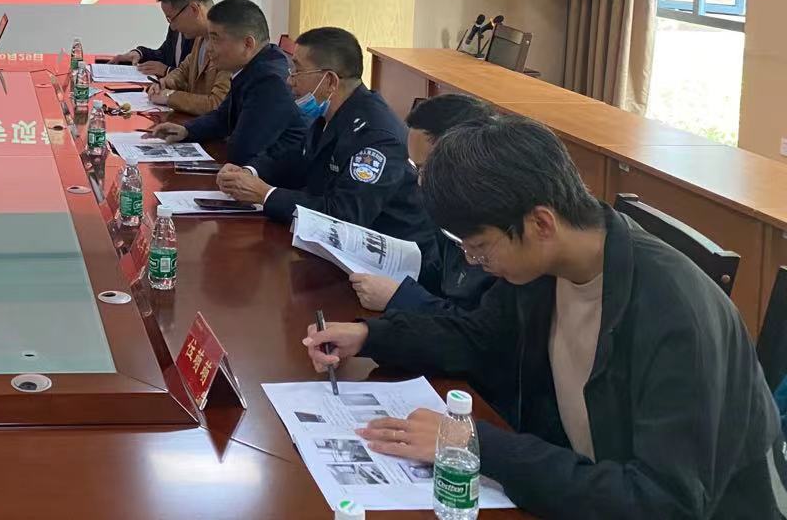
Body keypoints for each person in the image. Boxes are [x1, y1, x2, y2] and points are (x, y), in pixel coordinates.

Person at [304, 115, 787, 520]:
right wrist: (369, 336)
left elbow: (662, 503)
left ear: (540, 223)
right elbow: (476, 336)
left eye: (480, 247)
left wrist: (473, 443)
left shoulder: (675, 313)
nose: (475, 263)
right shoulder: (546, 267)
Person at [216, 28, 438, 265]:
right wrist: (249, 172)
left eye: (297, 70)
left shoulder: (377, 136)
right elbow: (296, 160)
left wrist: (266, 194)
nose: (290, 80)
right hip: (340, 252)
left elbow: (344, 216)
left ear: (330, 81)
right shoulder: (330, 113)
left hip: (390, 264)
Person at [349, 92, 498, 314]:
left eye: (426, 168)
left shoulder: (499, 231)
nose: (420, 181)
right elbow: (440, 278)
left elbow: (475, 325)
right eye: (415, 167)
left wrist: (399, 298)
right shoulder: (447, 211)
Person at [146, 0, 304, 166]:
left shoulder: (269, 81)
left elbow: (242, 151)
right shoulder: (253, 65)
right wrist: (186, 131)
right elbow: (223, 117)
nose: (208, 48)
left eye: (215, 39)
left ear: (247, 44)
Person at [143, 0, 229, 116]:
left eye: (172, 18)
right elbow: (183, 71)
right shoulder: (200, 37)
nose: (172, 27)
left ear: (194, 9)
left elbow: (216, 104)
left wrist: (170, 97)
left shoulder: (228, 43)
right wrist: (165, 83)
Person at [113, 0, 197, 76]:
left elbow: (196, 79)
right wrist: (139, 53)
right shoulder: (175, 20)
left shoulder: (203, 31)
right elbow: (164, 55)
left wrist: (167, 70)